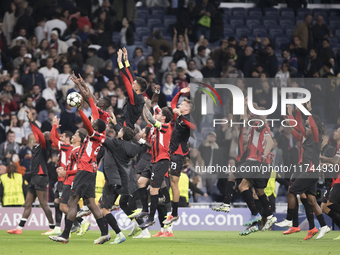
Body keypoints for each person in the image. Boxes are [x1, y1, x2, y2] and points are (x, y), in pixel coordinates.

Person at [49, 97, 110, 244]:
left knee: (72, 202)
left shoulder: (94, 135)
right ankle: (104, 233)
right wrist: (88, 97)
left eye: (93, 123)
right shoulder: (99, 136)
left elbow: (89, 125)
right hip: (90, 171)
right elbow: (94, 115)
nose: (91, 121)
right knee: (91, 203)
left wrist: (80, 109)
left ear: (95, 128)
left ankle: (65, 235)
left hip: (84, 170)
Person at [284, 101, 330, 240]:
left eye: (308, 126)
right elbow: (297, 128)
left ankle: (290, 220)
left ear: (313, 126)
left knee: (292, 191)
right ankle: (323, 226)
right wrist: (292, 116)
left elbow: (306, 127)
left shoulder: (316, 138)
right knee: (311, 201)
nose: (305, 128)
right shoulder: (307, 138)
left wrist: (306, 111)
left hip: (310, 171)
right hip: (309, 172)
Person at [7, 109, 54, 235]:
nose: (43, 133)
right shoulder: (39, 144)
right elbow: (36, 131)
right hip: (35, 177)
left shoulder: (45, 145)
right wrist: (30, 120)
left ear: (49, 137)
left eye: (46, 133)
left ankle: (53, 228)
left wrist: (32, 120)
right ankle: (19, 228)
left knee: (44, 204)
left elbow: (37, 131)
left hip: (40, 176)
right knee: (28, 203)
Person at [100, 112, 141, 244]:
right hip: (125, 180)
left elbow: (100, 137)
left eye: (120, 131)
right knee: (119, 205)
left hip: (114, 179)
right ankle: (108, 233)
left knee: (104, 209)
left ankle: (118, 234)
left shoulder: (115, 144)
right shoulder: (133, 147)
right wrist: (116, 124)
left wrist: (98, 123)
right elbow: (128, 137)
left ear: (121, 135)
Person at [136, 91, 173, 229]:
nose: (156, 113)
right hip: (153, 160)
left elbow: (151, 119)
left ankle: (151, 218)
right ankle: (145, 210)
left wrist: (142, 104)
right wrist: (155, 94)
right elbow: (155, 104)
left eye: (158, 114)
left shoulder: (165, 126)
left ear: (163, 117)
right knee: (140, 183)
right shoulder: (160, 116)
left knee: (153, 189)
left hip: (162, 160)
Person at [163, 87, 196, 226]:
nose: (179, 105)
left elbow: (193, 127)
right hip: (171, 153)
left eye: (182, 104)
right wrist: (180, 92)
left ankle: (174, 214)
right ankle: (167, 206)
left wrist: (181, 115)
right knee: (167, 181)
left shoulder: (188, 118)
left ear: (187, 108)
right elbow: (172, 105)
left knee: (174, 183)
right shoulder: (180, 116)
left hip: (178, 154)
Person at [41, 117, 74, 236]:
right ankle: (58, 227)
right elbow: (54, 139)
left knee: (64, 205)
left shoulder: (67, 147)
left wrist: (54, 125)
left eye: (63, 137)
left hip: (65, 179)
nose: (61, 138)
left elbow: (52, 138)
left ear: (68, 139)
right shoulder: (64, 149)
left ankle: (77, 223)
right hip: (61, 179)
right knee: (56, 202)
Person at [117, 48, 147, 128]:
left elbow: (127, 82)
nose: (132, 84)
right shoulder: (138, 95)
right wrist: (126, 60)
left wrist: (119, 62)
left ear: (137, 87)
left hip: (125, 127)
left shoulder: (136, 98)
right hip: (125, 126)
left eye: (134, 84)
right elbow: (131, 78)